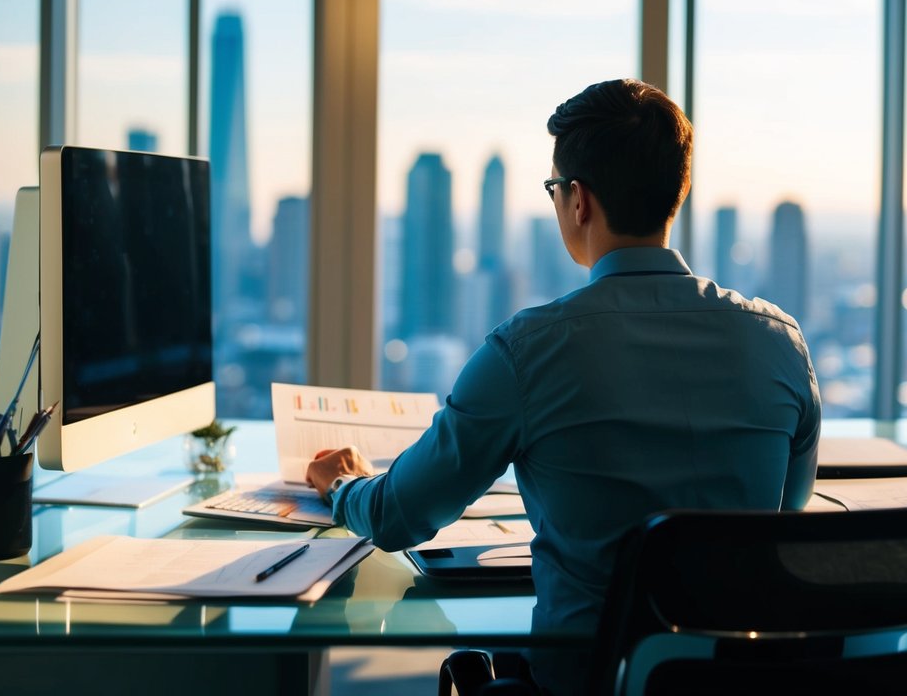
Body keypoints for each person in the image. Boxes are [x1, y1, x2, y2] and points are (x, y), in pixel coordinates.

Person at [306, 77, 821, 695]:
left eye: (554, 189)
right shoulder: (779, 340)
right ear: (674, 195)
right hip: (742, 682)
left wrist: (342, 483)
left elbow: (395, 516)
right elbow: (784, 515)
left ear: (579, 201)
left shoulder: (528, 351)